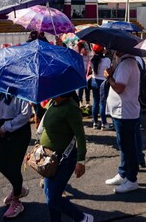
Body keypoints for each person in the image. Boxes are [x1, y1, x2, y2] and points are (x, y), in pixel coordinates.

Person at [40, 91, 93, 222]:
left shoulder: (71, 108)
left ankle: (83, 218)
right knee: (50, 194)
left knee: (53, 198)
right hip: (50, 159)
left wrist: (81, 161)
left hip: (64, 160)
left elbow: (80, 136)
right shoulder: (53, 103)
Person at [104, 50, 142, 194]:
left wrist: (109, 78)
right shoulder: (124, 63)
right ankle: (123, 173)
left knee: (128, 147)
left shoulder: (127, 63)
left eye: (115, 48)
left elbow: (119, 88)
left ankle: (132, 180)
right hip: (122, 112)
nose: (113, 51)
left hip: (125, 112)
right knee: (124, 145)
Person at [0, 93, 33, 219]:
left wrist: (6, 127)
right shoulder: (3, 93)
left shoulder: (22, 92)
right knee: (1, 165)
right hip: (5, 132)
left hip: (19, 132)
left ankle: (16, 201)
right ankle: (18, 188)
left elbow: (26, 114)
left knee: (14, 167)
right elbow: (1, 113)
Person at [88, 44, 111, 130]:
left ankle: (95, 122)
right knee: (102, 103)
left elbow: (90, 70)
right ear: (102, 51)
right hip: (103, 82)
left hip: (94, 81)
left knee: (95, 102)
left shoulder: (92, 60)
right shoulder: (107, 60)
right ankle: (104, 123)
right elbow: (110, 69)